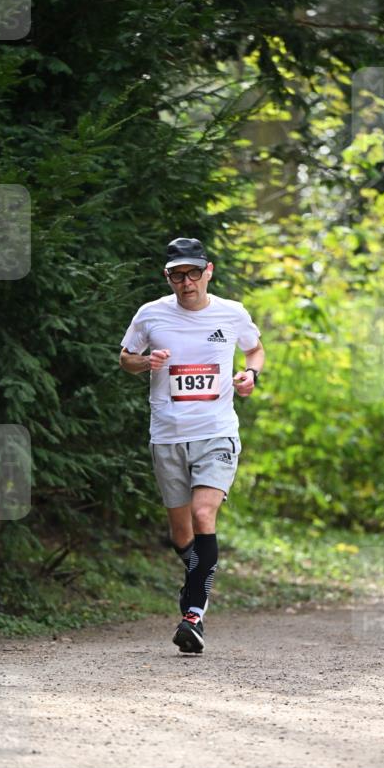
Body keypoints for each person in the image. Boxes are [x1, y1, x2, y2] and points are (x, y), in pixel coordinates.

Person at [119, 237, 264, 654]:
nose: (186, 282)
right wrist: (145, 362)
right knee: (181, 532)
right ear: (167, 277)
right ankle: (198, 579)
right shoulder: (151, 314)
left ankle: (194, 612)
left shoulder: (232, 313)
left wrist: (250, 376)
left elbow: (254, 350)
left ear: (208, 271)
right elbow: (126, 357)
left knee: (204, 513)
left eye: (193, 273)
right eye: (177, 275)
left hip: (216, 431)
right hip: (167, 434)